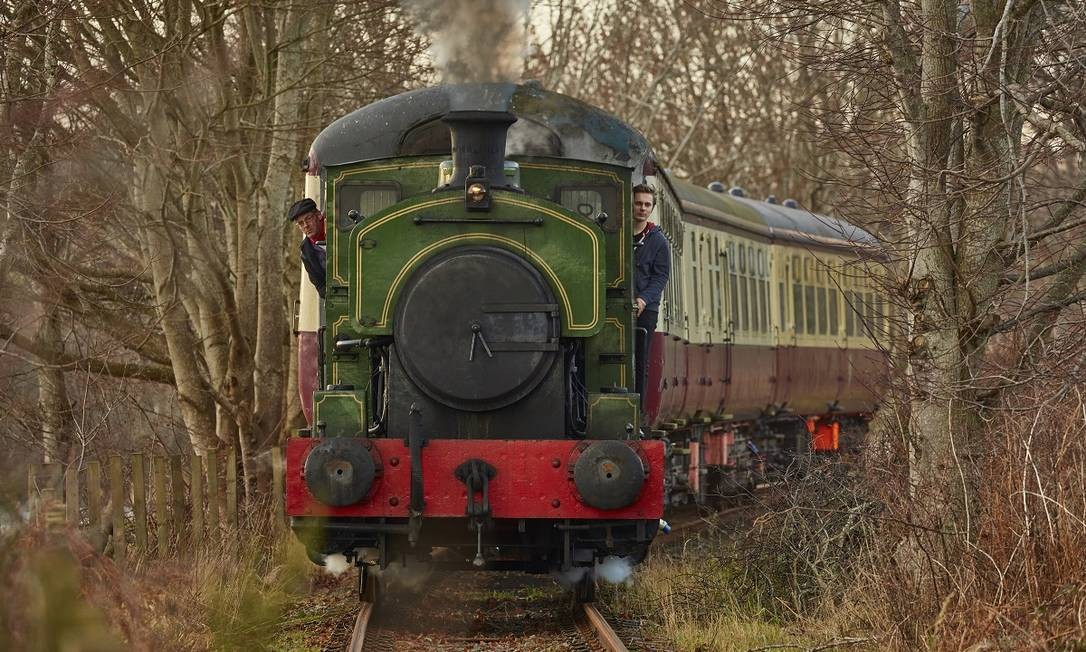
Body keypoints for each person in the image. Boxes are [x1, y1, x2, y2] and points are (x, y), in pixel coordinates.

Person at [632, 184, 670, 399]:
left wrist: (644, 299)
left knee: (641, 360)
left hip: (646, 309)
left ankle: (639, 409)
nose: (642, 208)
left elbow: (661, 276)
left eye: (647, 204)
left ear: (652, 208)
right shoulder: (620, 233)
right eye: (638, 203)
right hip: (620, 304)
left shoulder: (658, 240)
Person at [288, 198, 326, 298]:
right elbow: (320, 286)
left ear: (318, 215)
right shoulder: (306, 252)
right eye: (300, 223)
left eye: (308, 219)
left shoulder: (337, 230)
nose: (306, 226)